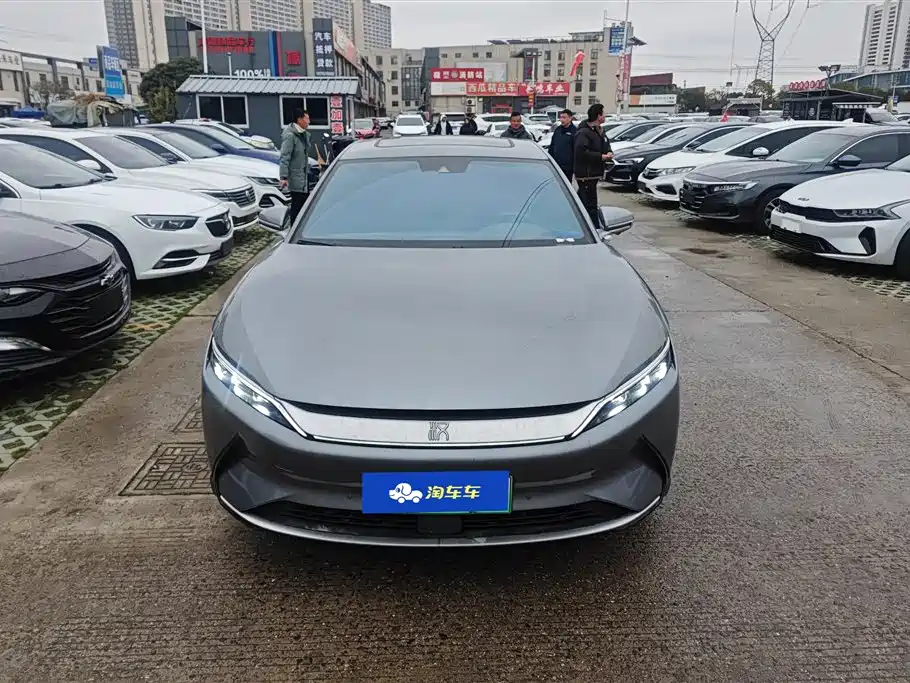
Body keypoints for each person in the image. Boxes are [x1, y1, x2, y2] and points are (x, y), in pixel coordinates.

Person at [574, 103, 613, 229]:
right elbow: (581, 152)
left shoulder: (599, 130)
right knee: (589, 204)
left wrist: (609, 152)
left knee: (581, 201)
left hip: (594, 173)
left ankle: (582, 223)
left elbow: (605, 144)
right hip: (586, 174)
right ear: (598, 115)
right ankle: (592, 228)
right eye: (603, 113)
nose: (605, 115)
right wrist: (600, 157)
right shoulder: (583, 132)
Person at [279, 108, 313, 227]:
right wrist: (283, 177)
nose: (309, 121)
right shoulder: (290, 135)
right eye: (307, 118)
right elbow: (285, 157)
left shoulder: (303, 134)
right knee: (297, 206)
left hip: (303, 177)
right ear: (299, 120)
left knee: (304, 205)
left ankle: (302, 227)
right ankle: (294, 229)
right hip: (296, 177)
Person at [548, 109, 577, 181]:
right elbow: (552, 145)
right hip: (556, 165)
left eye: (564, 117)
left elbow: (576, 150)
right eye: (560, 117)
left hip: (568, 167)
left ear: (570, 118)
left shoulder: (574, 131)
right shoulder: (558, 130)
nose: (562, 120)